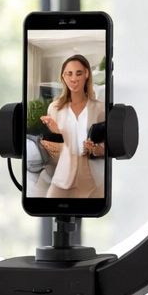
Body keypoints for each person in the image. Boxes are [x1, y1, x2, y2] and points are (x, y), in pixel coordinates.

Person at [40, 53, 106, 200]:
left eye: (79, 73)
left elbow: (109, 146)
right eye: (69, 74)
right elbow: (54, 152)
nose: (74, 79)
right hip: (62, 178)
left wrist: (94, 149)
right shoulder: (54, 108)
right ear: (63, 76)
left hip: (91, 179)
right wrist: (57, 133)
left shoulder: (100, 109)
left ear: (87, 74)